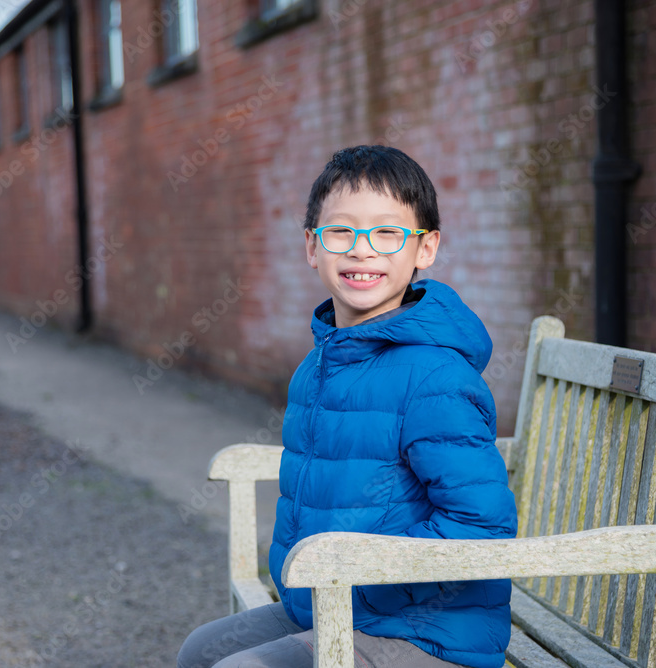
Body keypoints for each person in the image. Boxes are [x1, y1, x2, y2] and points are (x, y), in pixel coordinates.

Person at [177, 145, 517, 668]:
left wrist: (355, 574)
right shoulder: (317, 368)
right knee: (202, 650)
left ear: (425, 249)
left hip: (425, 632)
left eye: (387, 233)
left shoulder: (436, 378)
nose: (362, 250)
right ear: (313, 248)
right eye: (341, 232)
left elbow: (483, 528)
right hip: (326, 603)